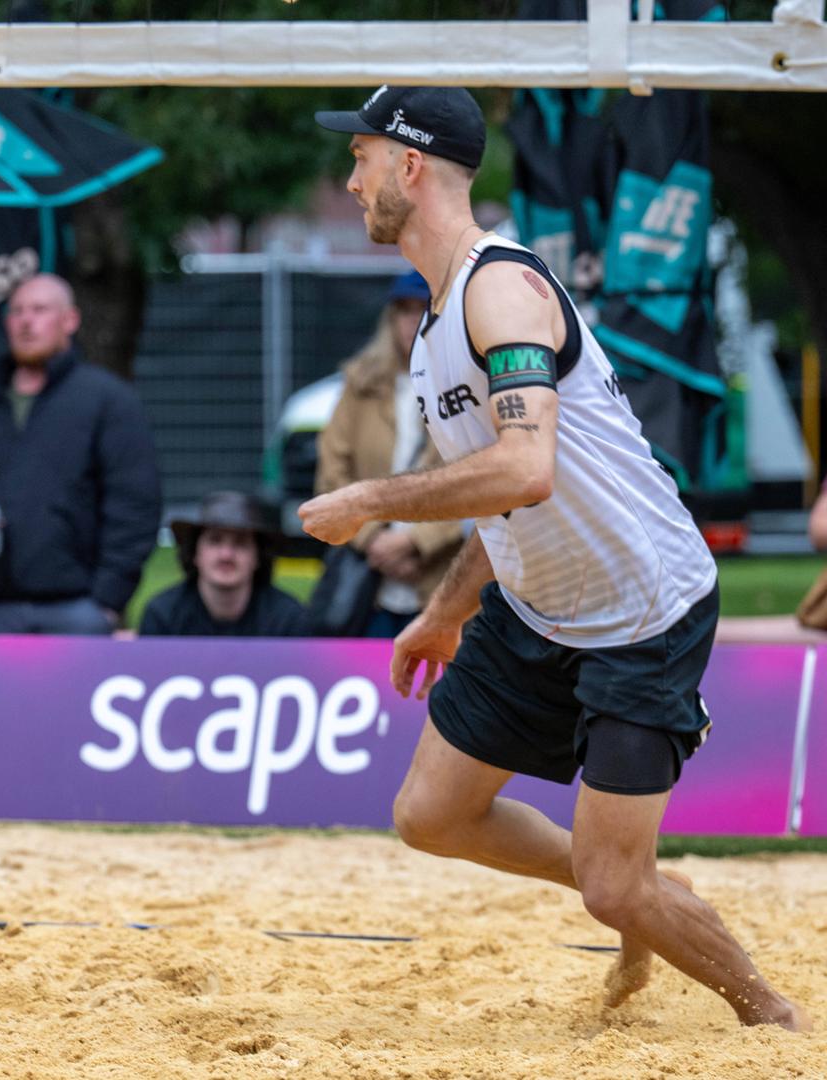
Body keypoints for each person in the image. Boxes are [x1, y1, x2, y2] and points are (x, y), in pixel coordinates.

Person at [300, 86, 807, 1030]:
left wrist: (373, 497)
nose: (350, 177)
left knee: (616, 892)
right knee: (432, 815)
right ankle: (629, 877)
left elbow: (525, 468)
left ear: (410, 166)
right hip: (541, 606)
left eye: (361, 157)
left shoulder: (501, 287)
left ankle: (770, 1018)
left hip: (642, 610)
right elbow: (510, 501)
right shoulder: (441, 319)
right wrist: (447, 611)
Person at [0, 273, 161, 634]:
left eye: (39, 310)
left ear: (70, 320)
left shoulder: (107, 401)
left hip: (80, 609)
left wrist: (107, 601)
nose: (26, 321)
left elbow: (135, 504)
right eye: (17, 312)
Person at [314, 271, 464, 637]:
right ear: (390, 318)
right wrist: (374, 541)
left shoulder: (464, 389)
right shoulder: (360, 384)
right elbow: (332, 473)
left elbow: (476, 479)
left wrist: (416, 544)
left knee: (438, 688)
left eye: (423, 309)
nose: (413, 320)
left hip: (441, 578)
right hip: (371, 583)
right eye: (404, 310)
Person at [139, 491, 307, 638]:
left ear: (258, 557)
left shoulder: (288, 619)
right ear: (195, 553)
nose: (226, 554)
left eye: (240, 543)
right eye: (215, 541)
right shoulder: (162, 615)